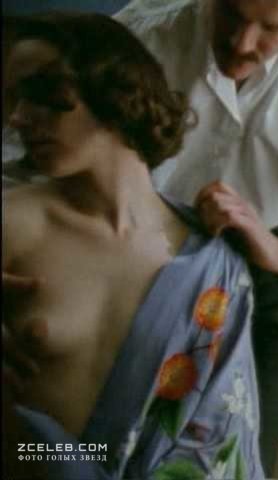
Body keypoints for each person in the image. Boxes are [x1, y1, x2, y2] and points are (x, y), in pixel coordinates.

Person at [4, 0, 278, 473]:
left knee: (229, 452)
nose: (242, 43)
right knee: (55, 451)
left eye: (272, 29)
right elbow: (16, 149)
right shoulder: (133, 40)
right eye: (231, 15)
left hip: (240, 274)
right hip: (92, 253)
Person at [2, 13, 264, 479]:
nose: (18, 117)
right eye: (13, 98)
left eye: (42, 92)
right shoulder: (12, 225)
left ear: (115, 92)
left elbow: (218, 440)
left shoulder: (211, 265)